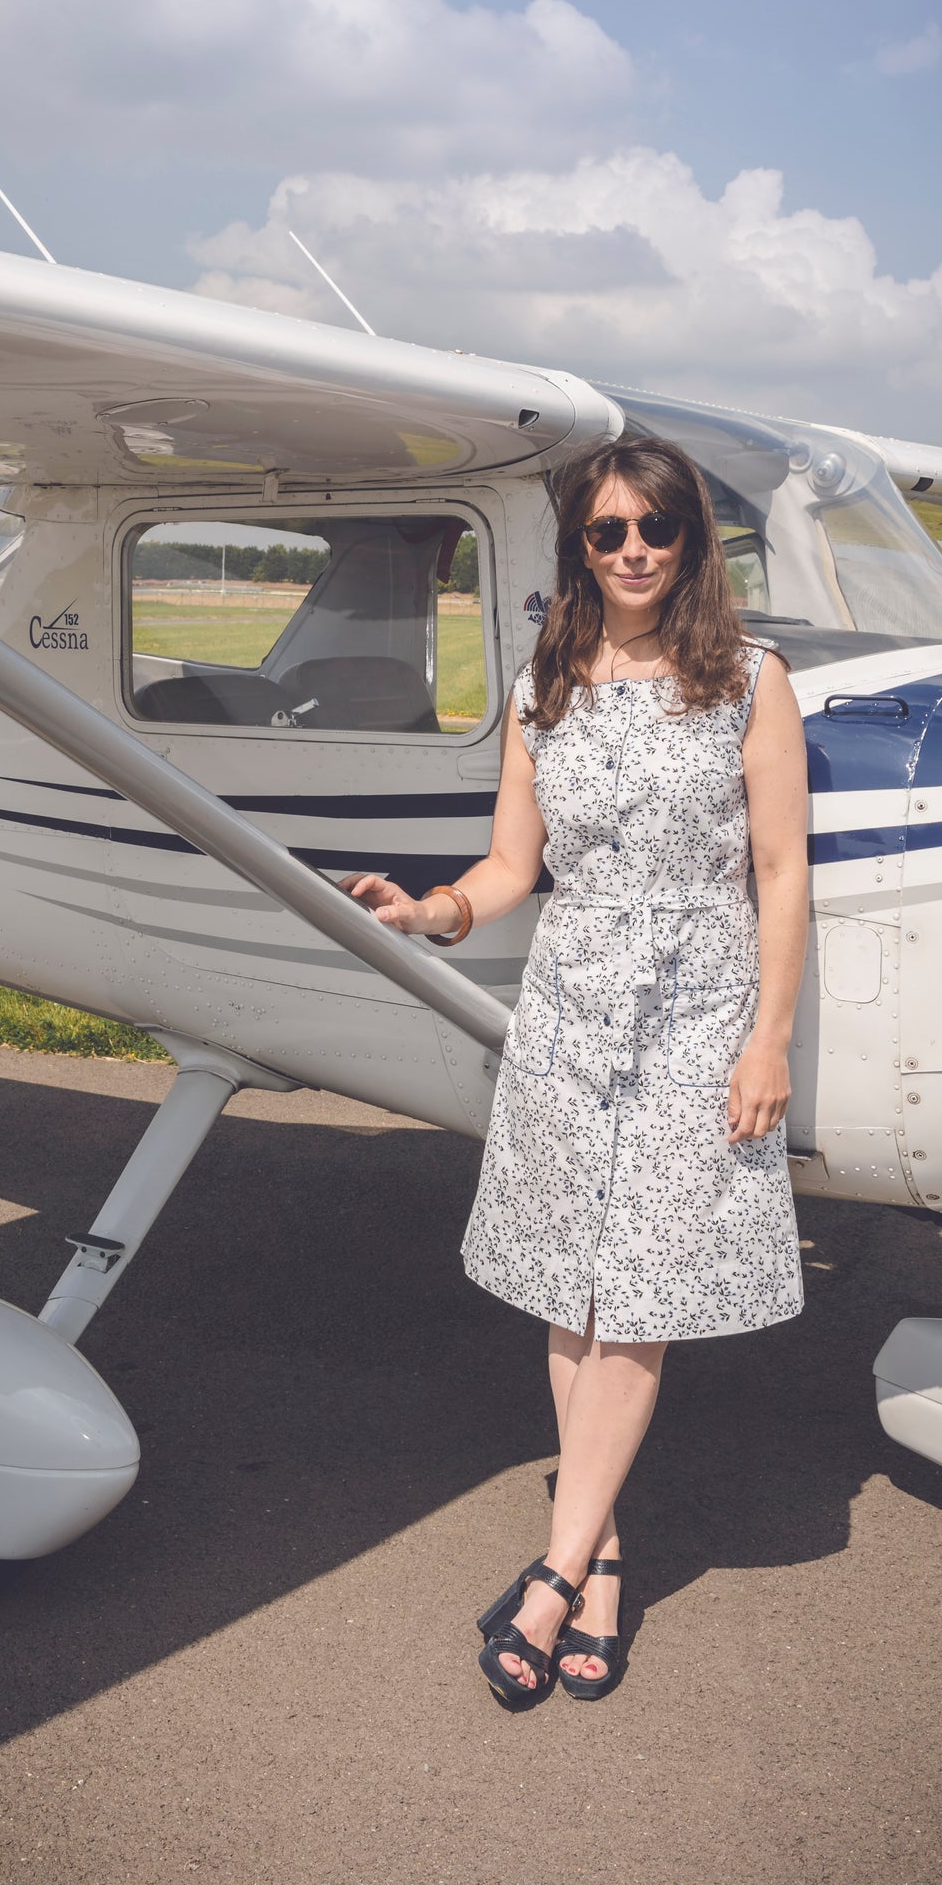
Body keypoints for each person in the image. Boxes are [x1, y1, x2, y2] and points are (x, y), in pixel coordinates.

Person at [343, 435, 808, 1708]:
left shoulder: (752, 680)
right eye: (607, 532)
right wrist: (430, 909)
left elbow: (780, 875)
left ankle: (548, 1574)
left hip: (698, 1014)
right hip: (569, 1010)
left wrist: (768, 1035)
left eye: (655, 527)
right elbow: (510, 870)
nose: (634, 551)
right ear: (581, 549)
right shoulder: (550, 681)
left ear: (692, 538)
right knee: (572, 1284)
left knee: (641, 1293)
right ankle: (601, 1565)